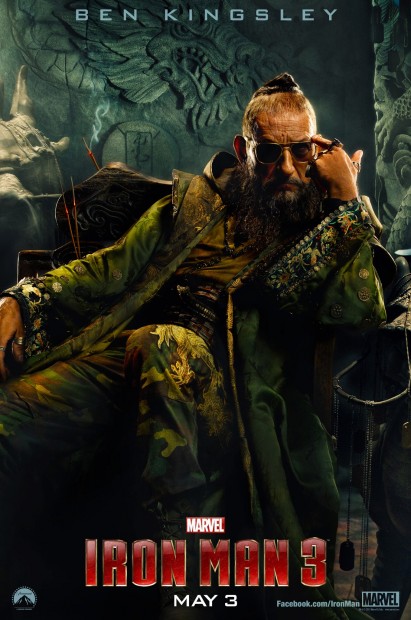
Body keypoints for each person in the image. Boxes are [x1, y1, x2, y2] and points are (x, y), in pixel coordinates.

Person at [0, 74, 388, 619]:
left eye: (300, 151)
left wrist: (346, 200)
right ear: (243, 150)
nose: (285, 167)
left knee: (164, 344)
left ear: (319, 151)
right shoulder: (193, 204)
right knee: (10, 414)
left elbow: (360, 310)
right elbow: (108, 270)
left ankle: (180, 594)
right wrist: (20, 299)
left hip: (229, 386)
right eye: (268, 153)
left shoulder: (322, 222)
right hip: (127, 357)